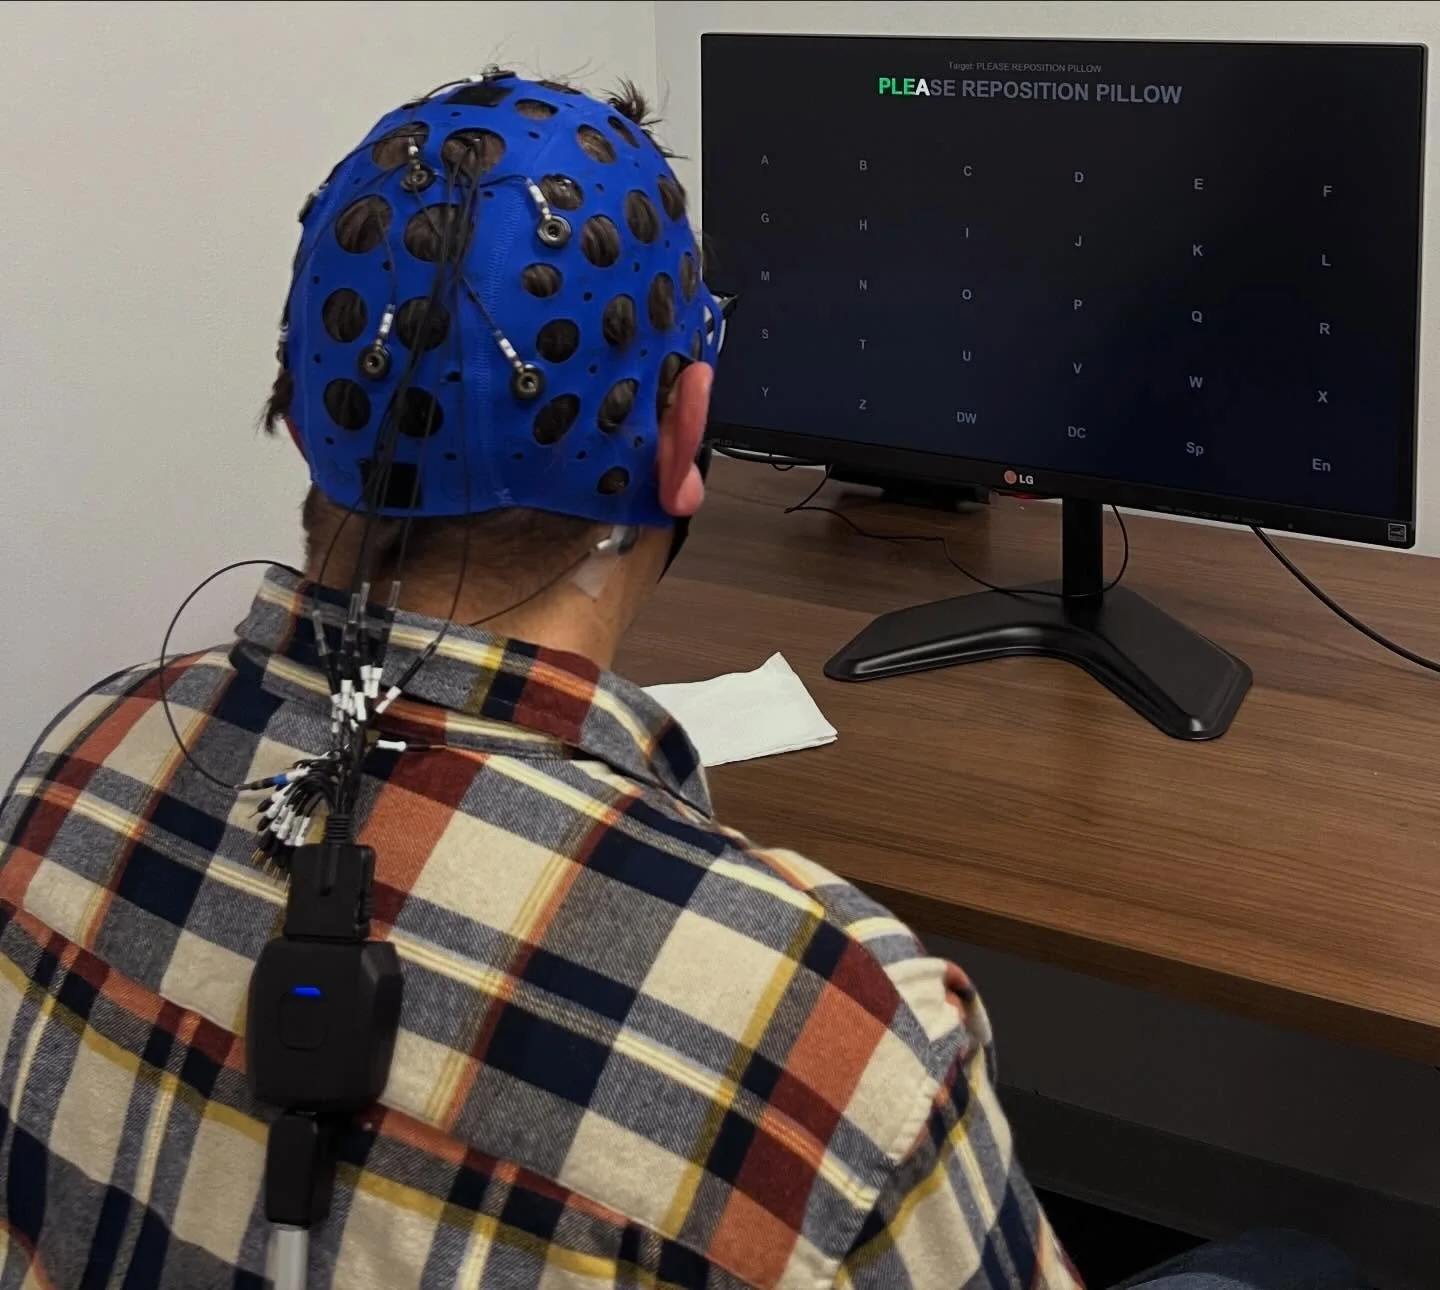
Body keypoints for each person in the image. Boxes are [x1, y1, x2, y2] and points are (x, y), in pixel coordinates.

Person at [0, 72, 1367, 1290]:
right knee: (1304, 1257)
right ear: (685, 435)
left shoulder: (62, 782)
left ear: (303, 418)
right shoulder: (844, 1045)